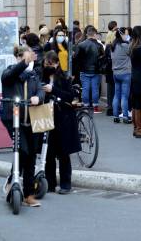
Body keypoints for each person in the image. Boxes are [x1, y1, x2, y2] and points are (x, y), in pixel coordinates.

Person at [0, 46, 44, 207]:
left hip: (31, 119)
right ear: (18, 58)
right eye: (26, 59)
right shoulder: (9, 73)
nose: (30, 62)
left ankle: (28, 194)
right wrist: (25, 62)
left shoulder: (33, 76)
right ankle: (14, 180)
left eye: (31, 59)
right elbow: (11, 75)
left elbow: (40, 91)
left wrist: (38, 98)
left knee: (31, 153)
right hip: (13, 119)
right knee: (23, 150)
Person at [42, 51, 81, 194]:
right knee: (48, 152)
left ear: (57, 63)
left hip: (63, 118)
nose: (48, 67)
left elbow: (70, 96)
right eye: (46, 64)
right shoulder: (42, 77)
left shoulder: (63, 77)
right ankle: (50, 183)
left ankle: (66, 184)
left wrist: (54, 90)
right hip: (47, 116)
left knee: (64, 153)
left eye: (50, 64)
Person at [74, 26, 105, 113]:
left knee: (85, 88)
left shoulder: (81, 45)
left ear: (87, 34)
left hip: (84, 70)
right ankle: (95, 107)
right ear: (95, 34)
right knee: (95, 89)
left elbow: (76, 58)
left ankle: (85, 106)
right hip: (96, 70)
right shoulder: (99, 45)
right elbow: (103, 58)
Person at [111, 27, 132, 124]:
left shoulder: (113, 46)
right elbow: (131, 54)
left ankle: (115, 116)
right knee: (124, 96)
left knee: (116, 95)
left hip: (115, 73)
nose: (127, 36)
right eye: (126, 34)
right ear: (122, 35)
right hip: (125, 73)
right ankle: (125, 116)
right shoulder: (126, 46)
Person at [104, 21, 119, 117]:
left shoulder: (107, 37)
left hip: (109, 69)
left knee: (110, 89)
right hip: (115, 69)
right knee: (116, 89)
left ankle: (110, 107)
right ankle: (116, 108)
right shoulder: (114, 38)